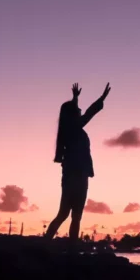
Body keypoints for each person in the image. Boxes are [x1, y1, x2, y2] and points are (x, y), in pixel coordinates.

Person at [43, 82, 110, 241]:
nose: (80, 112)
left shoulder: (70, 128)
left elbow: (77, 112)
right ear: (73, 116)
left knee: (68, 215)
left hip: (75, 175)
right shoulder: (73, 128)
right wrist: (101, 98)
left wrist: (75, 98)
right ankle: (56, 247)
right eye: (77, 111)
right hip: (77, 176)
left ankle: (52, 245)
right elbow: (88, 113)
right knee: (71, 215)